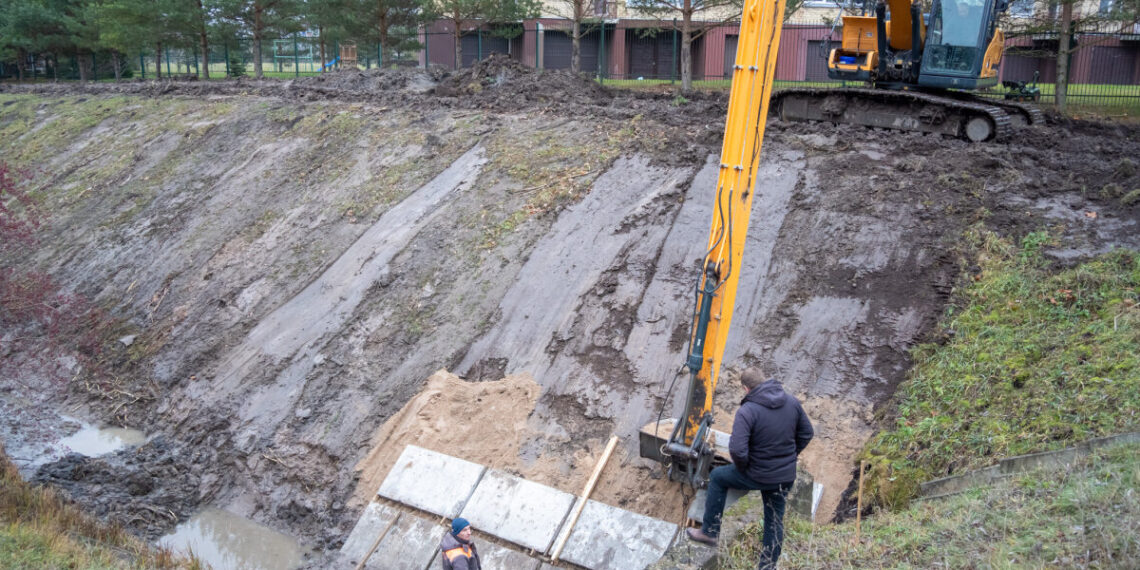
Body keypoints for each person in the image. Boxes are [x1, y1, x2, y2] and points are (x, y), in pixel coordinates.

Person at [686, 366, 814, 570]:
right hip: (784, 476)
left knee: (718, 476)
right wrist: (791, 457)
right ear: (764, 381)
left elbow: (737, 450)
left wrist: (745, 467)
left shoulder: (748, 411)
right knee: (774, 518)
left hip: (756, 473)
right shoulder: (791, 402)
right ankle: (768, 565)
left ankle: (710, 533)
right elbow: (807, 433)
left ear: (746, 388)